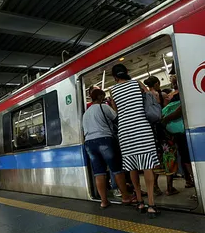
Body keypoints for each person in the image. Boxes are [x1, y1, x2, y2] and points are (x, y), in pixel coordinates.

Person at [110, 64, 161, 218]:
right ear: (127, 72)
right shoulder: (137, 83)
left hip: (125, 131)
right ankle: (151, 205)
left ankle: (139, 202)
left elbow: (116, 110)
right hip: (142, 127)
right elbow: (151, 98)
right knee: (147, 165)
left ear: (114, 77)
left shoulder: (112, 91)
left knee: (132, 166)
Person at [83, 88, 133, 209]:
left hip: (89, 143)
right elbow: (117, 119)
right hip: (104, 139)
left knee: (99, 173)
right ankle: (126, 197)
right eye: (103, 96)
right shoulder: (104, 107)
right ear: (100, 97)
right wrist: (113, 105)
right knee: (116, 169)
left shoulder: (86, 113)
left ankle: (104, 201)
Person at [163, 74, 194, 189]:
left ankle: (190, 179)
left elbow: (174, 111)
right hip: (184, 128)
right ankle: (191, 179)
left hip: (178, 130)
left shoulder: (172, 96)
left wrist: (166, 119)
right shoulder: (182, 93)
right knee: (186, 155)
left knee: (184, 155)